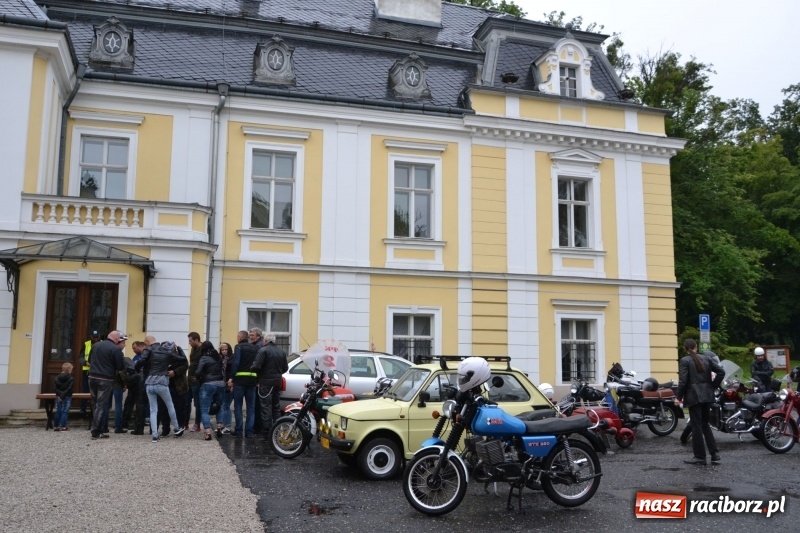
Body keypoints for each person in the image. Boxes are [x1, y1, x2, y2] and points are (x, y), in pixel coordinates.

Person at [675, 338, 725, 465]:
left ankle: (700, 456)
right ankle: (714, 454)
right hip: (707, 395)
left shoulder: (685, 360)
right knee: (705, 424)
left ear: (685, 349)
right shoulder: (707, 358)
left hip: (694, 397)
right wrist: (713, 386)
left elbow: (683, 381)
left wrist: (678, 397)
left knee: (696, 426)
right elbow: (721, 372)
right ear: (696, 347)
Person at [135, 340, 186, 442]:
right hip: (161, 382)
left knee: (153, 410)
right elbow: (183, 359)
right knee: (170, 406)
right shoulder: (168, 354)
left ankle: (154, 435)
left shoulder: (152, 352)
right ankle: (176, 428)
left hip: (149, 382)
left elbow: (142, 360)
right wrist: (179, 348)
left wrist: (136, 368)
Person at [88, 330, 127, 440]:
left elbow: (89, 360)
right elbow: (120, 367)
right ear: (116, 339)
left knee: (95, 404)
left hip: (92, 377)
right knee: (101, 405)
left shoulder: (96, 345)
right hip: (105, 379)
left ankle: (97, 428)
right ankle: (96, 431)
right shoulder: (116, 349)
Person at [251, 333, 288, 436]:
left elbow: (256, 366)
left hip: (266, 382)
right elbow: (285, 368)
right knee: (276, 406)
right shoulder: (281, 351)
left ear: (265, 340)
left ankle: (267, 432)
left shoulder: (263, 350)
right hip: (277, 382)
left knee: (265, 407)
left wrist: (253, 369)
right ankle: (277, 430)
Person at [230, 330, 259, 438]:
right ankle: (249, 432)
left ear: (240, 337)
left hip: (240, 381)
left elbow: (236, 363)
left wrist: (232, 378)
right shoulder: (255, 348)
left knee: (238, 406)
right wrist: (257, 380)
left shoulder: (238, 347)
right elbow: (258, 364)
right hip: (252, 381)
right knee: (251, 407)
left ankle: (238, 430)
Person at [196, 341, 226, 441]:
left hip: (208, 384)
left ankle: (208, 432)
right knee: (219, 406)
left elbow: (198, 372)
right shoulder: (218, 357)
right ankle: (220, 428)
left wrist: (198, 377)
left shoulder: (204, 358)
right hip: (221, 383)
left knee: (204, 409)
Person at [121, 341, 145, 431]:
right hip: (133, 384)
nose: (133, 350)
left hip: (140, 384)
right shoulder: (136, 357)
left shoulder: (144, 356)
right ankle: (126, 423)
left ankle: (137, 424)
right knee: (129, 404)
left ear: (140, 346)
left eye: (134, 348)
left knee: (138, 405)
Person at [79, 330, 101, 417]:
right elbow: (81, 356)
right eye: (94, 337)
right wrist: (85, 362)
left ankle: (96, 411)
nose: (95, 338)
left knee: (97, 392)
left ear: (99, 336)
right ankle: (82, 411)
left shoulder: (103, 344)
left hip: (98, 371)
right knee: (85, 391)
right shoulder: (86, 344)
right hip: (87, 372)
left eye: (96, 337)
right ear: (91, 336)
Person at [186, 332, 203, 432]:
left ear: (196, 340)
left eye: (190, 341)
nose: (189, 343)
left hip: (197, 380)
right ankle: (185, 423)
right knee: (186, 401)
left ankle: (197, 424)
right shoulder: (193, 348)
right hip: (190, 379)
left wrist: (198, 376)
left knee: (198, 403)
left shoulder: (203, 349)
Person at [53, 362, 74, 432]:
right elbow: (69, 388)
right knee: (65, 411)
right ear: (70, 369)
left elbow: (55, 388)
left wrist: (60, 394)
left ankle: (56, 426)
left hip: (58, 396)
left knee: (58, 411)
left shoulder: (57, 377)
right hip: (67, 396)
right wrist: (64, 395)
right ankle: (63, 427)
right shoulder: (71, 378)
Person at [218, 342, 234, 435]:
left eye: (226, 349)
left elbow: (232, 371)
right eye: (222, 350)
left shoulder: (231, 359)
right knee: (223, 405)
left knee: (226, 405)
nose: (224, 351)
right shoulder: (221, 359)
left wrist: (232, 383)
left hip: (229, 384)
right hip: (222, 384)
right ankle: (224, 425)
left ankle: (227, 426)